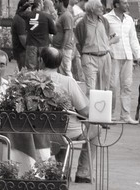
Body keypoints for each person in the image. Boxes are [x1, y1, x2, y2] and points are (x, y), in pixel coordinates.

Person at [39, 47, 95, 183]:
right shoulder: (68, 82)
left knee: (61, 127)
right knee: (95, 128)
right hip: (66, 132)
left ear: (40, 61)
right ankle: (83, 173)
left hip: (38, 130)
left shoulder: (30, 79)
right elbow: (85, 111)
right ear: (60, 64)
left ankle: (62, 171)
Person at [104, 0, 140, 124]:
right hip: (113, 55)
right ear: (116, 5)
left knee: (127, 86)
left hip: (127, 56)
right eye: (124, 3)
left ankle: (125, 115)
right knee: (112, 85)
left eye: (127, 2)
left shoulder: (129, 20)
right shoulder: (106, 19)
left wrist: (138, 55)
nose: (127, 5)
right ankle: (110, 114)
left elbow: (133, 38)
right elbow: (103, 37)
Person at [74, 0, 116, 95]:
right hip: (89, 57)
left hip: (105, 57)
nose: (102, 9)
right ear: (92, 9)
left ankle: (103, 110)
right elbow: (77, 43)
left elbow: (115, 37)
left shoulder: (104, 21)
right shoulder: (82, 24)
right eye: (99, 7)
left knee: (104, 88)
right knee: (91, 89)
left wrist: (107, 44)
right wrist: (84, 54)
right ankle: (90, 110)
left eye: (102, 7)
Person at [22, 0, 56, 70]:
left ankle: (32, 81)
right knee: (43, 67)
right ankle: (42, 81)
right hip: (43, 44)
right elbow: (54, 31)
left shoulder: (28, 15)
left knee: (31, 68)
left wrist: (27, 5)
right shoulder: (47, 16)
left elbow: (19, 13)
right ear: (40, 4)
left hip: (31, 44)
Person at [11, 0, 32, 66]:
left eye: (29, 8)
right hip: (22, 51)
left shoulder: (21, 18)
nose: (29, 10)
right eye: (26, 8)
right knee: (24, 71)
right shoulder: (20, 20)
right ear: (20, 8)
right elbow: (23, 38)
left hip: (21, 51)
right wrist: (30, 50)